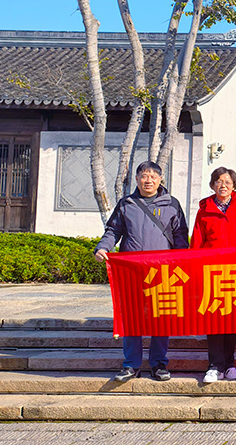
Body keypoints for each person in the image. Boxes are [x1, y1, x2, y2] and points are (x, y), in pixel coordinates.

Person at [95, 161, 188, 383]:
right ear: (137, 179)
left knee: (161, 318)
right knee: (131, 318)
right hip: (132, 271)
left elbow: (180, 236)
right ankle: (131, 364)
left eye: (153, 176)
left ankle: (159, 364)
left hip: (161, 272)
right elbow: (113, 230)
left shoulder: (171, 204)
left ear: (160, 179)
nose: (149, 180)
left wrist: (183, 261)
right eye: (144, 176)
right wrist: (103, 247)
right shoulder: (126, 204)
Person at [190, 167, 236, 384]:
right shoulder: (205, 209)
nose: (223, 185)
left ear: (234, 185)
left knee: (233, 319)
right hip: (211, 273)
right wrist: (195, 268)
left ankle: (229, 364)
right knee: (213, 320)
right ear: (212, 185)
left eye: (228, 182)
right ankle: (214, 366)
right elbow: (197, 242)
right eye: (219, 181)